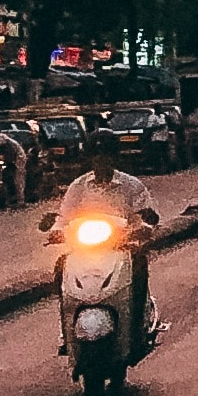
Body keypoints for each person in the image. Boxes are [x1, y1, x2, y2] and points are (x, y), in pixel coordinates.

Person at [59, 138, 158, 339]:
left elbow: (147, 215)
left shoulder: (132, 185)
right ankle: (66, 330)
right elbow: (64, 216)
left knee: (139, 267)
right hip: (84, 248)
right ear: (89, 159)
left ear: (114, 157)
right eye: (96, 156)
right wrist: (57, 230)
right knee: (59, 268)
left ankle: (138, 326)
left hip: (123, 246)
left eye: (105, 155)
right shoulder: (78, 187)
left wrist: (143, 228)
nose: (100, 161)